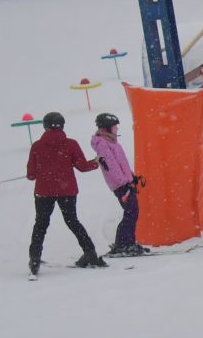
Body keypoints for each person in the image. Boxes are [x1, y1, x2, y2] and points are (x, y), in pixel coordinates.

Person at [26, 111, 104, 276]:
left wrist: (41, 171)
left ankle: (34, 259)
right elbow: (82, 167)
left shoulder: (37, 146)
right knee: (72, 221)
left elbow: (31, 175)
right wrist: (95, 163)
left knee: (40, 224)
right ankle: (90, 253)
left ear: (45, 126)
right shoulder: (71, 144)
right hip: (66, 190)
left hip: (44, 192)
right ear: (62, 125)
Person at [91, 112, 148, 257]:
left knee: (131, 213)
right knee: (131, 213)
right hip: (120, 186)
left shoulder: (112, 142)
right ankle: (123, 244)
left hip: (125, 183)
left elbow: (121, 163)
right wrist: (124, 182)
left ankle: (127, 243)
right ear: (106, 128)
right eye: (114, 127)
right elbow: (111, 166)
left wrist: (132, 176)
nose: (117, 129)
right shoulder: (102, 144)